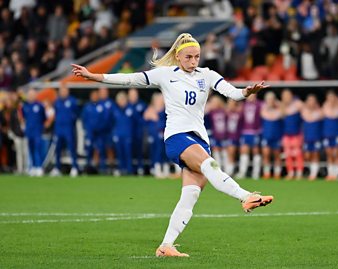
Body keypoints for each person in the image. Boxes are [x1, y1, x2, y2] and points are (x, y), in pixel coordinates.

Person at [71, 32, 273, 257]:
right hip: (177, 137)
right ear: (178, 56)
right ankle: (245, 197)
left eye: (197, 56)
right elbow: (129, 79)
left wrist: (247, 92)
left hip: (199, 140)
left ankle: (166, 245)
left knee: (190, 197)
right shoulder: (165, 75)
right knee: (210, 165)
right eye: (188, 57)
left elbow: (233, 93)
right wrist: (94, 76)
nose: (193, 61)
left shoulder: (206, 75)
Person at [51, 85, 79, 177]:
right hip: (58, 129)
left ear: (68, 91)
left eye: (65, 90)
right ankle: (57, 168)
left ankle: (74, 167)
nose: (63, 92)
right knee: (57, 149)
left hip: (68, 129)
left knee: (71, 148)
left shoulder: (72, 101)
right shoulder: (57, 102)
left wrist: (71, 120)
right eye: (61, 91)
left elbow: (76, 113)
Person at [21, 89, 46, 177]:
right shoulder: (25, 106)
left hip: (37, 131)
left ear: (36, 95)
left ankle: (39, 167)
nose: (31, 96)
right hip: (29, 131)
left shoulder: (39, 105)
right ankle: (33, 167)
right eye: (29, 94)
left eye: (32, 94)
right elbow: (24, 117)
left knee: (37, 149)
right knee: (31, 149)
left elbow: (44, 117)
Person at [236, 94, 262, 179]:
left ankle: (256, 173)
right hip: (245, 131)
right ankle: (242, 172)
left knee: (255, 150)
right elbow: (239, 117)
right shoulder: (244, 105)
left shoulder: (259, 104)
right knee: (244, 151)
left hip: (255, 131)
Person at [280, 89, 304, 179]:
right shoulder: (282, 106)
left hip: (296, 133)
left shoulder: (297, 104)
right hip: (286, 134)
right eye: (284, 96)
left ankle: (299, 172)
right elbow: (282, 115)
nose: (286, 97)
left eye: (287, 95)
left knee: (297, 154)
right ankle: (290, 172)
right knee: (288, 154)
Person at [144, 93, 168, 178]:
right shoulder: (150, 109)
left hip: (163, 133)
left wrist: (156, 118)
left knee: (163, 151)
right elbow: (145, 121)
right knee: (154, 151)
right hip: (153, 134)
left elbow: (164, 122)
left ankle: (165, 169)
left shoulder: (165, 110)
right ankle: (155, 168)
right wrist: (148, 117)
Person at [260, 92, 283, 179]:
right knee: (266, 154)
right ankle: (267, 173)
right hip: (266, 135)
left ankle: (277, 173)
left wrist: (278, 103)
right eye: (268, 100)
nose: (270, 101)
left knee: (277, 154)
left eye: (272, 99)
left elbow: (283, 113)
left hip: (276, 135)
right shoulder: (263, 110)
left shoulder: (278, 110)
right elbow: (262, 114)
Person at [322, 90, 338, 180]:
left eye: (332, 97)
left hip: (336, 134)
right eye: (329, 97)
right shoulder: (324, 107)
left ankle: (336, 173)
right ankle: (330, 173)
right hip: (327, 133)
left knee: (336, 153)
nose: (331, 99)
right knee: (329, 154)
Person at [301, 94, 323, 181]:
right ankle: (311, 171)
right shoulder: (304, 111)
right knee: (307, 155)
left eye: (313, 101)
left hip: (316, 136)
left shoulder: (320, 112)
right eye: (309, 100)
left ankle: (314, 174)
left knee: (315, 154)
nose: (311, 103)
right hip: (307, 137)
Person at [112, 91, 134, 176]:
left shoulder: (130, 109)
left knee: (128, 153)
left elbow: (135, 122)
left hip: (127, 135)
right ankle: (121, 169)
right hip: (118, 135)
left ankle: (129, 170)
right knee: (119, 154)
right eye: (120, 100)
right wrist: (114, 134)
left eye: (123, 99)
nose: (121, 101)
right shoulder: (115, 110)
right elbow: (111, 123)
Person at [127, 88, 147, 175]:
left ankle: (140, 167)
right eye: (131, 95)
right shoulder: (126, 106)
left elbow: (145, 118)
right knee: (129, 151)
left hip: (139, 131)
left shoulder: (141, 104)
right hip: (129, 132)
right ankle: (130, 169)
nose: (133, 97)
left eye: (134, 94)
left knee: (139, 151)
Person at [81, 90, 100, 172]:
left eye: (96, 95)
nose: (95, 97)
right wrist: (86, 129)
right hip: (89, 133)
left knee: (99, 149)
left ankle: (99, 168)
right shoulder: (87, 107)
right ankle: (88, 168)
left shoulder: (101, 106)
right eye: (93, 95)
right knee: (89, 150)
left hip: (99, 133)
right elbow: (83, 119)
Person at [206, 95, 228, 169]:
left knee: (224, 151)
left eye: (214, 102)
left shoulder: (224, 111)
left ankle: (226, 168)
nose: (213, 104)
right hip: (214, 134)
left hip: (224, 133)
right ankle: (218, 168)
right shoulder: (210, 112)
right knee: (216, 150)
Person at [224, 99, 242, 175]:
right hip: (226, 135)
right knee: (226, 153)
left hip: (235, 135)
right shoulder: (225, 112)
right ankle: (227, 170)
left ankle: (229, 172)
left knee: (232, 153)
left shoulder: (239, 112)